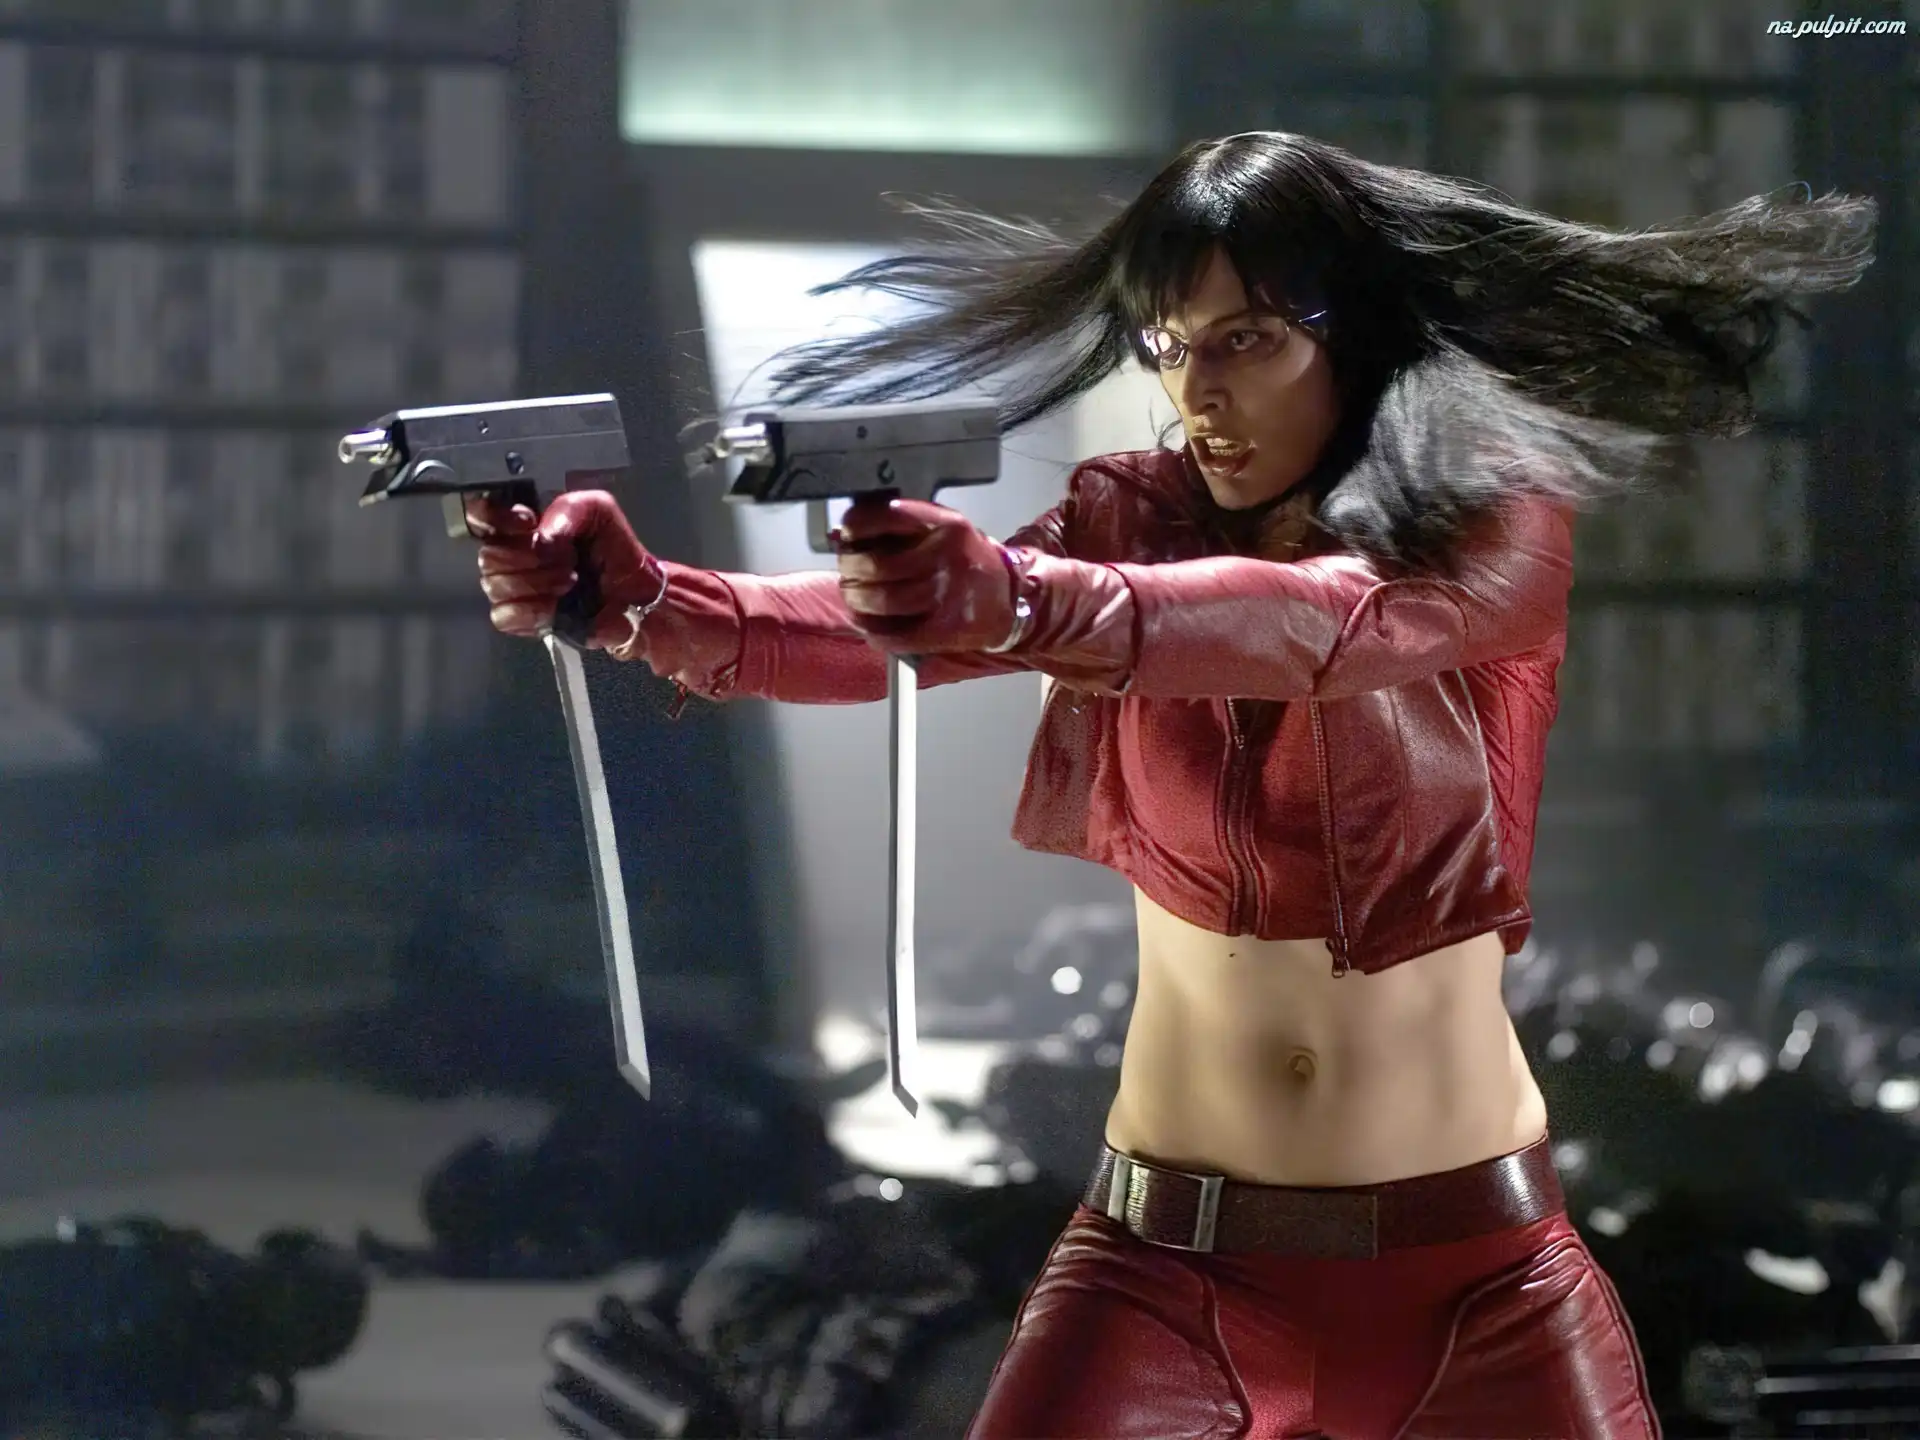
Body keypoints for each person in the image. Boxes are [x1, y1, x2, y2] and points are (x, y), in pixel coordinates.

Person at [471, 133, 1875, 1438]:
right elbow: (878, 635)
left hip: (1476, 1281)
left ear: (1356, 333)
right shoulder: (1127, 516)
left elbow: (1324, 624)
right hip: (1165, 1272)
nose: (1200, 392)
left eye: (1248, 340)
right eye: (1170, 345)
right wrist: (643, 601)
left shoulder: (1488, 518)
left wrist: (1029, 601)